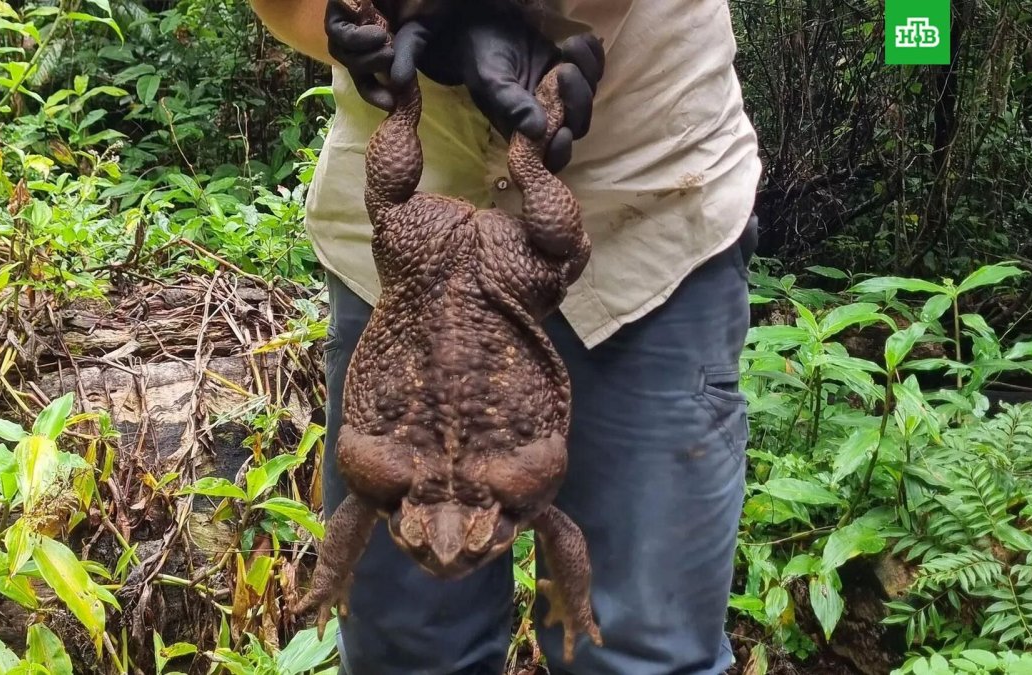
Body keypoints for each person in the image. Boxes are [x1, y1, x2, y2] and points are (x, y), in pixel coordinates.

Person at [249, 0, 762, 672]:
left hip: (641, 202)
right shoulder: (430, 486)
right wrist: (378, 25)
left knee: (640, 652)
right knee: (403, 654)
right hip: (408, 255)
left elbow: (553, 515)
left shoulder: (507, 487)